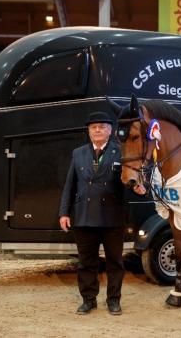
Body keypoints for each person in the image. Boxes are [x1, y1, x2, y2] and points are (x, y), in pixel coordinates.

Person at [59, 111, 125, 316]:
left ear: (110, 130)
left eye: (102, 126)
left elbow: (129, 182)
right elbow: (70, 185)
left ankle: (114, 300)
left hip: (112, 217)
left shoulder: (121, 152)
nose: (97, 130)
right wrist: (64, 212)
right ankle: (89, 300)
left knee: (115, 262)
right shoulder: (78, 153)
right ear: (88, 131)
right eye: (93, 127)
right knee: (87, 262)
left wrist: (139, 189)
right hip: (83, 216)